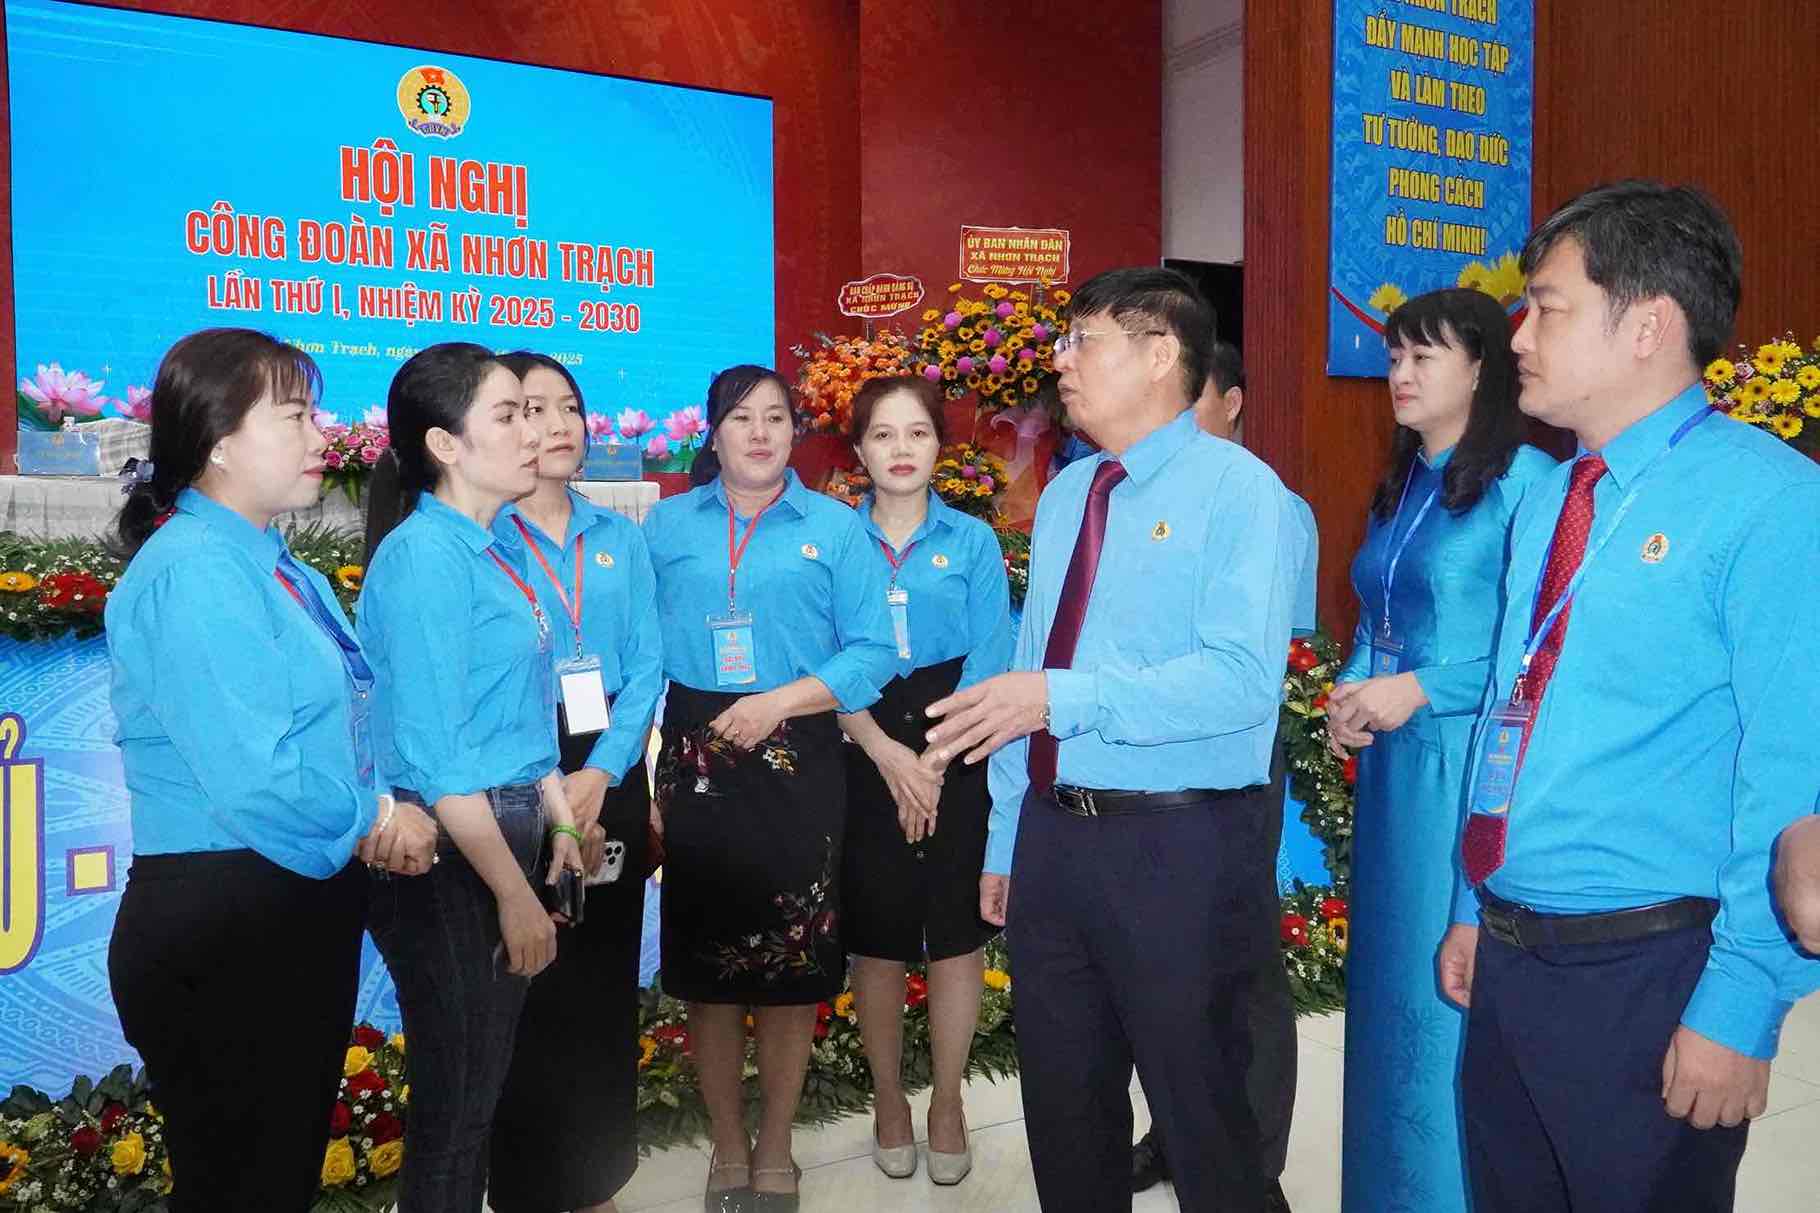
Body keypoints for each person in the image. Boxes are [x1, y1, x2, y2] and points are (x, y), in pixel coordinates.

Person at [1434, 181, 1820, 1213]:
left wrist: (1739, 1004)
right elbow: (1507, 711)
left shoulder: (1770, 502)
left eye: (1547, 305)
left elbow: (1788, 770)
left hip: (1650, 974)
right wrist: (1471, 902)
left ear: (1647, 323)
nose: (1516, 332)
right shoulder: (1552, 495)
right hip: (1512, 957)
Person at [926, 266, 1307, 1213]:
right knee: (1065, 1110)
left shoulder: (1241, 493)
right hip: (1057, 843)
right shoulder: (1068, 496)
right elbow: (1027, 671)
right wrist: (1010, 839)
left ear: (1159, 353)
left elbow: (1239, 682)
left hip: (1178, 846)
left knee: (1205, 1116)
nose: (1061, 362)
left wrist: (1064, 696)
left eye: (1081, 340)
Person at [105, 328, 436, 1213]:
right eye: (296, 415)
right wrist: (377, 819)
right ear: (218, 439)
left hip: (283, 903)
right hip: (225, 917)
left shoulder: (278, 568)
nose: (323, 436)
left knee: (273, 1176)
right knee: (242, 1184)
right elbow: (256, 776)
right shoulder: (194, 571)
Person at [641, 365, 898, 1212]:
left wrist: (777, 701)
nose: (760, 432)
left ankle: (778, 1143)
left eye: (777, 417)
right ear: (711, 433)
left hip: (800, 749)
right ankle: (725, 1143)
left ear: (797, 432)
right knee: (707, 968)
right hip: (695, 753)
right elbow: (639, 658)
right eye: (742, 417)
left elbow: (871, 653)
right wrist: (637, 779)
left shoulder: (835, 527)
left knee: (794, 962)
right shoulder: (665, 525)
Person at [1320, 288, 1555, 1212]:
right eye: (1393, 357)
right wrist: (1352, 690)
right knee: (1386, 1000)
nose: (1401, 375)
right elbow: (1382, 617)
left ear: (1483, 367)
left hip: (1469, 775)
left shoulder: (1527, 484)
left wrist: (1420, 686)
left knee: (1447, 999)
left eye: (1425, 356)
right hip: (1393, 783)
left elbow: (1534, 653)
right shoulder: (1407, 482)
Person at [358, 343, 585, 1212]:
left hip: (506, 834)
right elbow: (441, 756)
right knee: (455, 1112)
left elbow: (524, 725)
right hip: (454, 857)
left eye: (535, 414)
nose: (533, 433)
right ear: (445, 445)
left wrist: (560, 819)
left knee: (478, 1096)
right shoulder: (423, 559)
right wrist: (513, 894)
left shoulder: (492, 547)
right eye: (508, 415)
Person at [1131, 337, 1318, 1213]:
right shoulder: (1126, 498)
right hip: (1148, 766)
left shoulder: (1265, 505)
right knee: (1163, 961)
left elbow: (1262, 662)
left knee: (1240, 962)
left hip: (1234, 765)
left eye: (1191, 399)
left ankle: (1256, 1157)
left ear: (1233, 402)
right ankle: (1174, 1130)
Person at [486, 353, 665, 1213]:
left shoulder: (619, 536)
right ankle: (525, 1185)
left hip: (609, 770)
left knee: (598, 984)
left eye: (569, 406)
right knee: (525, 986)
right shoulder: (479, 538)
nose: (557, 424)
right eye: (531, 407)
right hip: (516, 779)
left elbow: (648, 663)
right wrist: (555, 782)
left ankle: (596, 1183)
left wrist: (602, 771)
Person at [835, 374, 1013, 1185]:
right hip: (864, 744)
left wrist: (935, 764)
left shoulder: (972, 540)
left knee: (952, 937)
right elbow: (823, 660)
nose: (901, 450)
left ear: (941, 445)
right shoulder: (834, 540)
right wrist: (889, 756)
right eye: (883, 435)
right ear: (859, 449)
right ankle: (888, 1100)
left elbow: (992, 657)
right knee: (876, 938)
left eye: (917, 433)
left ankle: (945, 1099)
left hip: (957, 745)